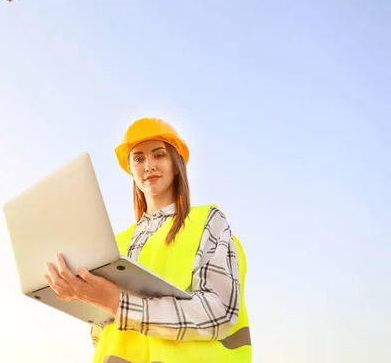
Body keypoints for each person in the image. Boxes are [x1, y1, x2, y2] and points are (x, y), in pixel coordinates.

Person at [44, 118, 252, 363]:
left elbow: (220, 312)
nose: (149, 165)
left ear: (176, 165)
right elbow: (100, 336)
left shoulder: (207, 222)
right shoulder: (115, 244)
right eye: (139, 159)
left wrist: (118, 304)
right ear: (131, 171)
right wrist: (82, 295)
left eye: (159, 155)